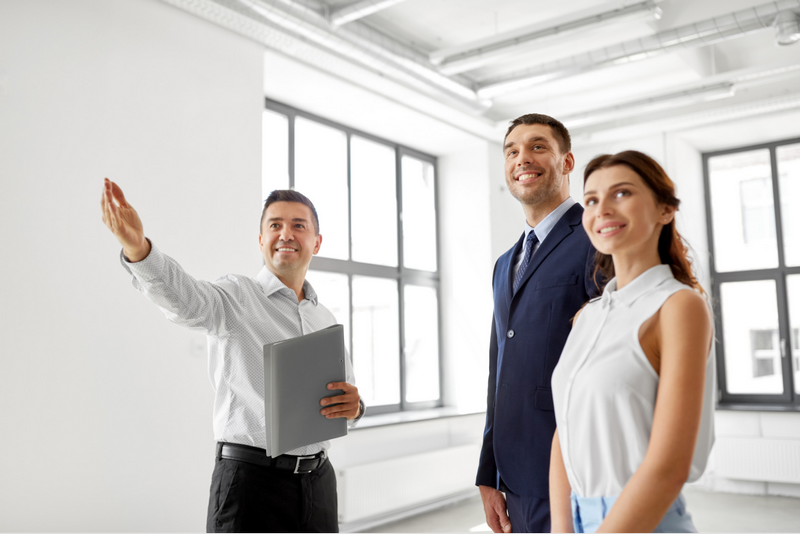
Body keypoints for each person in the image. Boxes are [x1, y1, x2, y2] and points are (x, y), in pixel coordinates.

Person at [100, 179, 364, 533]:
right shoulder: (237, 297)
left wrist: (356, 408)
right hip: (251, 486)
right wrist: (140, 250)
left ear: (316, 242)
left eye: (298, 226)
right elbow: (185, 300)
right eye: (275, 225)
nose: (286, 233)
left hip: (318, 484)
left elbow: (346, 399)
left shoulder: (325, 319)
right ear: (261, 241)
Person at [549, 151, 715, 533]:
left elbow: (669, 466)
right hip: (577, 516)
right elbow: (566, 427)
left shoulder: (679, 306)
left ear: (665, 211)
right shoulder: (586, 316)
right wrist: (561, 527)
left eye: (621, 193)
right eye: (590, 199)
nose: (602, 208)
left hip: (644, 519)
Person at [476, 114, 597, 533]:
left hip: (577, 470)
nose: (522, 158)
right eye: (512, 151)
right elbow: (500, 372)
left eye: (538, 146)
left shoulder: (596, 239)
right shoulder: (503, 264)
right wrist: (488, 474)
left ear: (567, 162)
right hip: (515, 478)